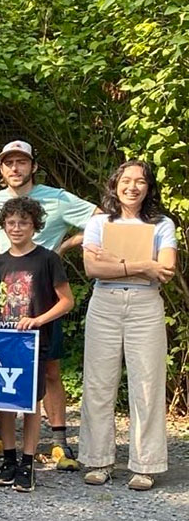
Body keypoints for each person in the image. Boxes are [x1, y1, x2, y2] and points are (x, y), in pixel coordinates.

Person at [0, 140, 97, 465]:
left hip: (43, 296)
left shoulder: (57, 199)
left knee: (49, 369)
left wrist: (66, 244)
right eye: (9, 163)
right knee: (3, 367)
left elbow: (101, 219)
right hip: (5, 292)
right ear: (1, 169)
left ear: (33, 166)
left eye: (21, 162)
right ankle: (5, 438)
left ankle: (59, 440)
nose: (15, 169)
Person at [80, 160, 177, 491]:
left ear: (149, 188)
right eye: (126, 180)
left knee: (147, 383)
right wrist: (140, 265)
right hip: (103, 304)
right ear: (114, 184)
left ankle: (145, 465)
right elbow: (92, 268)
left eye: (140, 181)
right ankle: (98, 460)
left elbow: (164, 270)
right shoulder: (99, 223)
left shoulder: (162, 224)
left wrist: (115, 262)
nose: (132, 186)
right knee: (97, 382)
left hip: (145, 305)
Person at [0, 196, 74, 493]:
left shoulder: (47, 259)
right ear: (3, 226)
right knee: (5, 403)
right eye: (11, 223)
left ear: (34, 225)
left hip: (33, 343)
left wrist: (39, 319)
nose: (17, 228)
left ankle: (28, 461)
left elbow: (67, 301)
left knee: (31, 404)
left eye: (23, 223)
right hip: (3, 342)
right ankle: (8, 459)